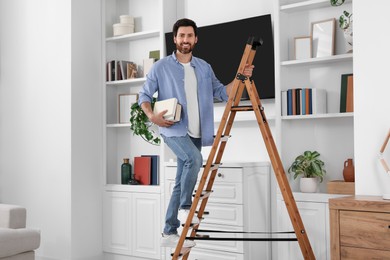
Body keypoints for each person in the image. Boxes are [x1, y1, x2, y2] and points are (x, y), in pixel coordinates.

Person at [138, 18, 254, 248]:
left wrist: (241, 77)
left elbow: (223, 92)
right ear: (175, 39)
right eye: (181, 36)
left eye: (189, 36)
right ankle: (184, 209)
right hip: (173, 129)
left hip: (197, 132)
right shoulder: (161, 66)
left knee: (181, 182)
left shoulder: (204, 67)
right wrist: (152, 116)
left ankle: (168, 232)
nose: (185, 40)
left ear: (195, 39)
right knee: (194, 159)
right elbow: (143, 96)